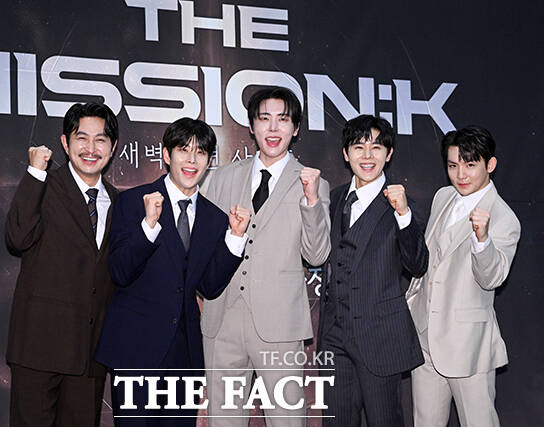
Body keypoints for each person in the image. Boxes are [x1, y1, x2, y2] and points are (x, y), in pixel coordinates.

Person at [94, 117, 251, 426]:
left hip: (185, 357)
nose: (192, 160)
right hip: (135, 352)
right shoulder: (132, 202)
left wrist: (234, 238)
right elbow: (120, 272)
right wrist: (148, 226)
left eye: (201, 152)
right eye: (183, 150)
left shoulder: (215, 217)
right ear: (166, 155)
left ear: (209, 161)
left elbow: (209, 286)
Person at [201, 86, 331, 426]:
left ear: (296, 128)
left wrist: (311, 202)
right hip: (223, 320)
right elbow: (205, 249)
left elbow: (317, 254)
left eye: (283, 120)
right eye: (264, 119)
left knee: (287, 419)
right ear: (251, 125)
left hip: (280, 326)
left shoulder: (314, 184)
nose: (273, 129)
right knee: (223, 420)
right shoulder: (221, 178)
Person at [5, 102, 119, 426]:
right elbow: (17, 237)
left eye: (100, 139)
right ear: (65, 143)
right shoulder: (43, 186)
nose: (91, 148)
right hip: (38, 350)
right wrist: (35, 173)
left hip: (88, 358)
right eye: (82, 138)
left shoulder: (119, 201)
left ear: (112, 147)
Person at [317, 114, 428, 426]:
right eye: (358, 147)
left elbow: (417, 264)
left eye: (376, 148)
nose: (367, 156)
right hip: (334, 336)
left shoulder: (403, 204)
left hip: (380, 336)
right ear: (345, 153)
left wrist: (403, 214)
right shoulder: (333, 198)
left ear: (388, 154)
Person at [406, 126, 521, 427]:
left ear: (490, 164)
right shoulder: (443, 196)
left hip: (468, 345)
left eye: (470, 165)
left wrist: (482, 240)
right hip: (425, 337)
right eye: (453, 165)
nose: (460, 175)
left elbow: (492, 278)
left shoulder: (504, 217)